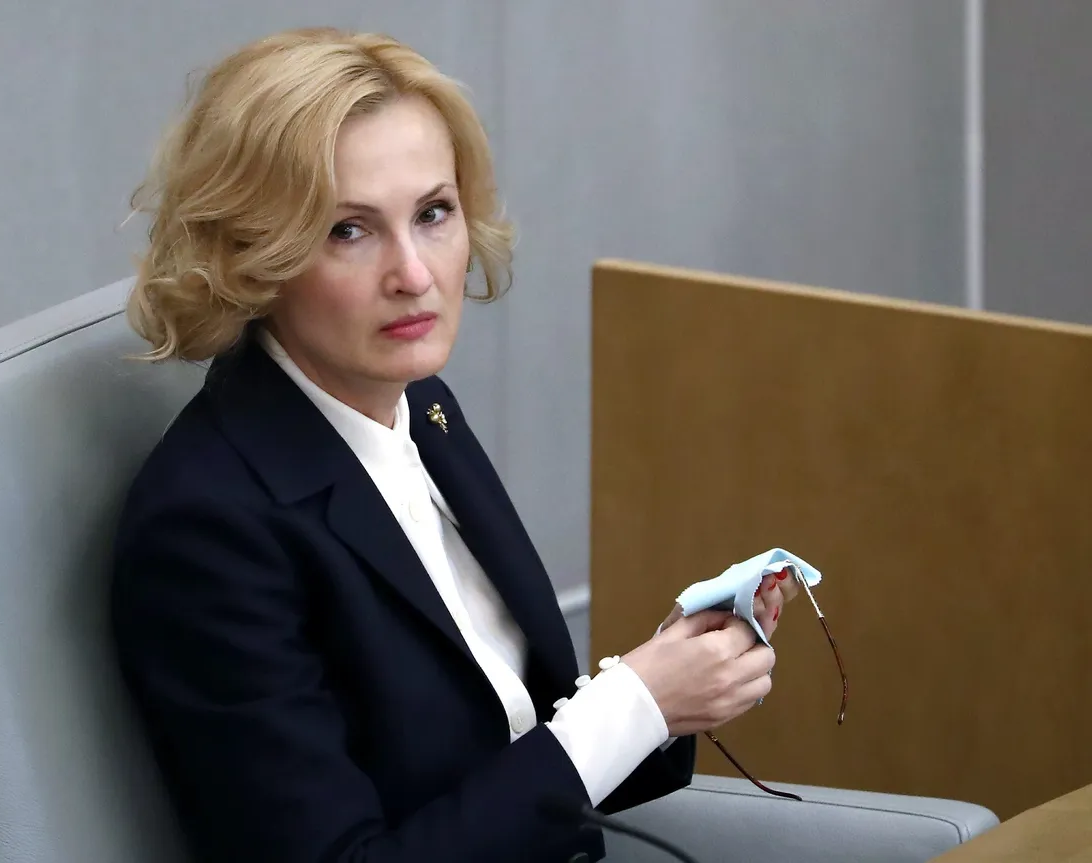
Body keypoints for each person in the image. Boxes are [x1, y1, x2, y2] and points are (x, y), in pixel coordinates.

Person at [110, 26, 794, 863]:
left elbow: (524, 752)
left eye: (433, 213)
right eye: (349, 230)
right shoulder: (207, 529)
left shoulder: (421, 406)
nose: (414, 274)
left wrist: (669, 679)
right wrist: (635, 702)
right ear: (253, 255)